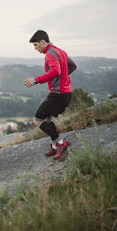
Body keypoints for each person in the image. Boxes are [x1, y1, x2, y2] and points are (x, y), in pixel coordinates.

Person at [24, 30, 77, 160]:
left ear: (43, 42)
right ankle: (54, 146)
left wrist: (36, 80)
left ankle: (61, 143)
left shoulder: (50, 54)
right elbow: (73, 66)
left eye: (36, 45)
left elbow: (55, 71)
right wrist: (62, 77)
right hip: (65, 93)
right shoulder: (60, 51)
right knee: (47, 118)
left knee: (37, 120)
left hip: (58, 94)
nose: (35, 48)